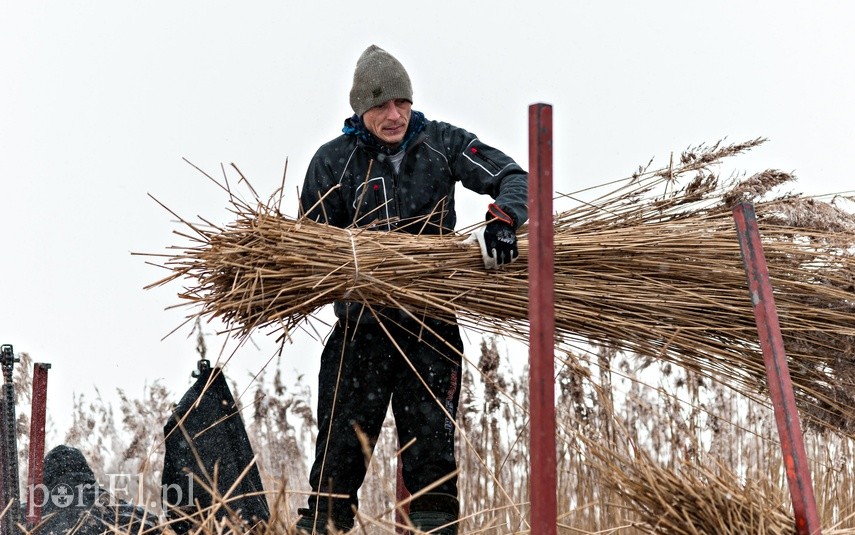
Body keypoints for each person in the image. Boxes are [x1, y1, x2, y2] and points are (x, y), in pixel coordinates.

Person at [296, 44, 528, 534]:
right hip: (360, 334)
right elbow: (307, 248)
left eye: (401, 102)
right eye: (381, 105)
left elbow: (514, 177)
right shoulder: (333, 162)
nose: (394, 114)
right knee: (336, 467)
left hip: (431, 330)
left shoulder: (443, 143)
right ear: (361, 109)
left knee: (432, 468)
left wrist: (503, 221)